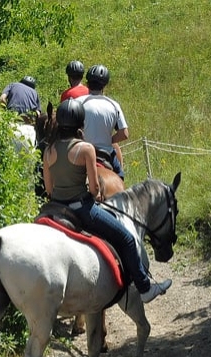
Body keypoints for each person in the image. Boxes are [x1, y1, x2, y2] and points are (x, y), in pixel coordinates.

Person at [42, 98, 171, 303]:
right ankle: (145, 288)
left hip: (54, 210)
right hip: (81, 209)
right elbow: (94, 188)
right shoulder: (85, 149)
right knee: (127, 239)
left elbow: (49, 189)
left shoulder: (49, 151)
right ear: (80, 123)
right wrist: (94, 193)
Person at [76, 64, 128, 178]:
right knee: (120, 178)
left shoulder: (77, 103)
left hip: (81, 152)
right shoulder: (114, 105)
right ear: (105, 85)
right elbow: (124, 134)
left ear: (88, 84)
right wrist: (108, 140)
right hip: (107, 154)